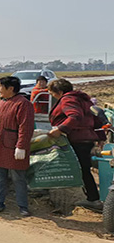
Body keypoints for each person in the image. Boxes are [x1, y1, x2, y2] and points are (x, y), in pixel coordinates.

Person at [47, 78, 102, 212]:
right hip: (87, 138)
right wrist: (100, 137)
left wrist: (60, 129)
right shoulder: (84, 99)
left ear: (59, 92)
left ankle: (93, 199)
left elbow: (74, 116)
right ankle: (91, 196)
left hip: (77, 138)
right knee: (84, 168)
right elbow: (96, 118)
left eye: (52, 93)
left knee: (82, 169)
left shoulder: (68, 99)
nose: (53, 96)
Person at [0, 76, 34, 217]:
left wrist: (21, 146)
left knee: (18, 177)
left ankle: (23, 206)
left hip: (13, 146)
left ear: (11, 88)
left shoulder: (23, 104)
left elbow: (25, 127)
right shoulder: (0, 103)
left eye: (0, 87)